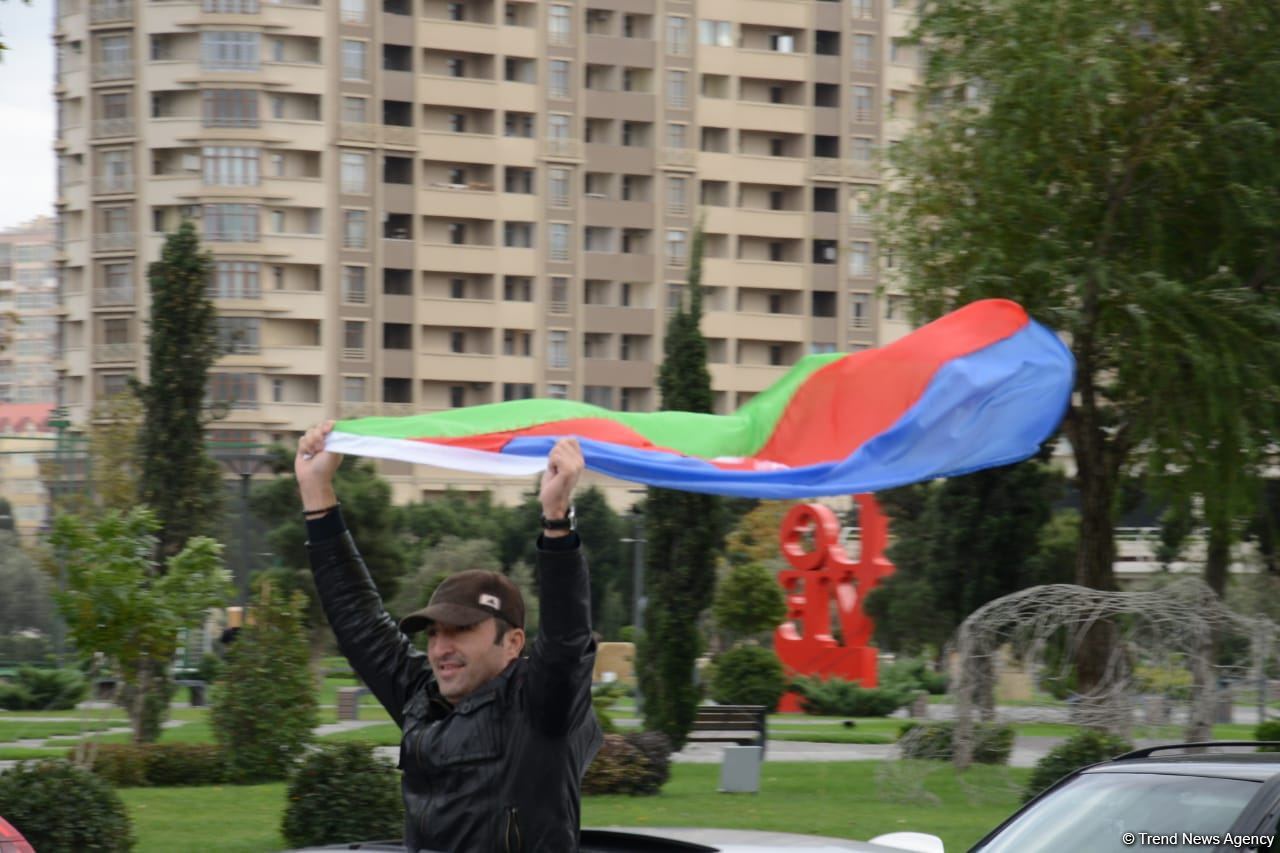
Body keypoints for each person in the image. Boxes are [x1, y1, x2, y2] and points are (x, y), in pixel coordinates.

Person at [296, 422, 602, 853]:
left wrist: (556, 522)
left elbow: (566, 640)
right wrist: (317, 494)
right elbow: (357, 620)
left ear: (513, 644)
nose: (441, 648)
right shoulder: (421, 698)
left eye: (461, 630)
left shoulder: (540, 708)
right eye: (435, 633)